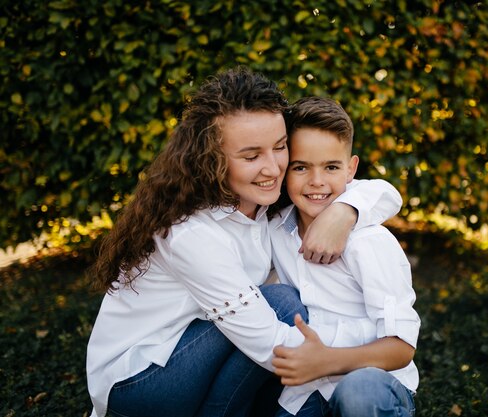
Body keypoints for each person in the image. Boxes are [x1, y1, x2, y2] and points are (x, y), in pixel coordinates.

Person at [85, 67, 403, 417]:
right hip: (140, 385)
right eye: (251, 157)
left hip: (200, 357)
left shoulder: (264, 202)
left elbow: (383, 192)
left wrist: (344, 211)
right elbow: (267, 341)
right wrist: (368, 351)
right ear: (213, 159)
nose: (272, 168)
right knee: (282, 304)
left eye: (280, 148)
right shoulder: (193, 233)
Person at [269, 96, 420, 417]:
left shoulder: (369, 242)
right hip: (306, 388)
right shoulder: (276, 230)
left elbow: (402, 348)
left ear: (351, 168)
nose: (317, 181)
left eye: (331, 167)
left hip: (373, 383)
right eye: (300, 167)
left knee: (358, 394)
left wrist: (326, 361)